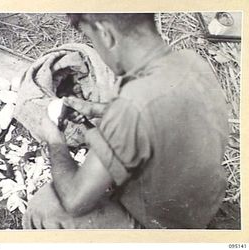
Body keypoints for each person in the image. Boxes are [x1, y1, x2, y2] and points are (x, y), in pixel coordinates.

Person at [19, 13, 229, 229]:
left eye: (92, 39)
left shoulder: (130, 106)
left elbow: (74, 200)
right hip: (202, 203)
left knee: (46, 206)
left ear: (106, 34)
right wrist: (96, 112)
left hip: (166, 225)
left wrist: (54, 140)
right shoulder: (191, 61)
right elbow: (156, 116)